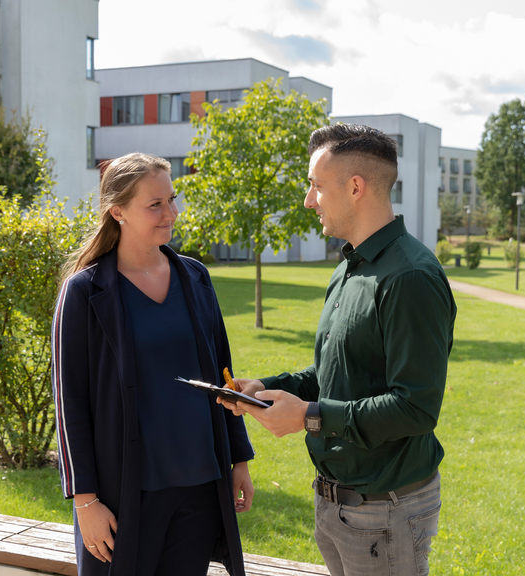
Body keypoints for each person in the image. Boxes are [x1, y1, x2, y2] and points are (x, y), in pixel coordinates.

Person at [220, 125, 457, 576]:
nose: (309, 200)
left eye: (316, 186)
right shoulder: (351, 265)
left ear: (355, 187)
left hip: (385, 511)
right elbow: (337, 369)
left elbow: (416, 408)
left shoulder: (410, 278)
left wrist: (309, 416)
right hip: (336, 505)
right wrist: (265, 389)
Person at [52, 152, 255, 576]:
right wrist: (85, 501)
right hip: (124, 492)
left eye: (172, 199)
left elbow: (224, 374)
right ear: (118, 212)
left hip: (199, 486)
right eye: (155, 205)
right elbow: (69, 402)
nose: (171, 213)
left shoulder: (195, 278)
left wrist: (239, 459)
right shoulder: (85, 292)